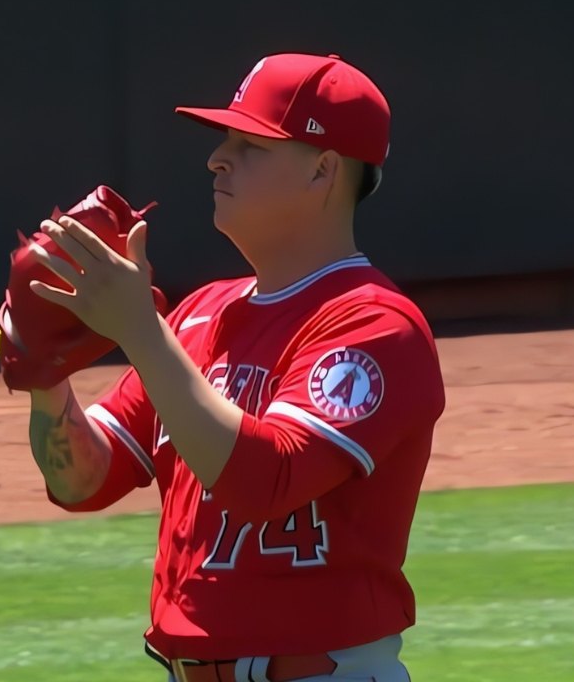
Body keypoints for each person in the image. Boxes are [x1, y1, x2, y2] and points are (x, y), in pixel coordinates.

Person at [24, 52, 446, 682]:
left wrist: (139, 329)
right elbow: (84, 481)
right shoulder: (200, 316)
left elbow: (264, 480)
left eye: (250, 145)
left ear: (323, 170)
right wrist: (46, 378)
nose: (217, 159)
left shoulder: (374, 325)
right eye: (225, 141)